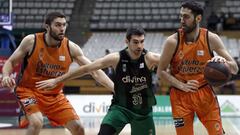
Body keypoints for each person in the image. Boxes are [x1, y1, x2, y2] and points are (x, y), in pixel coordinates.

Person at [1, 12, 114, 135]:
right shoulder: (31, 41)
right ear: (47, 27)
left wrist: (116, 89)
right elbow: (11, 62)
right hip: (28, 90)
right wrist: (6, 75)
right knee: (37, 122)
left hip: (54, 95)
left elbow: (95, 71)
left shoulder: (71, 48)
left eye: (64, 25)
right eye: (58, 25)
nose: (62, 29)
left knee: (79, 128)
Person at [35, 26, 160, 135]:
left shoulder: (150, 58)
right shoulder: (116, 58)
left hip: (143, 111)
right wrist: (57, 80)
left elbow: (173, 61)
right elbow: (86, 69)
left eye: (142, 42)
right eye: (136, 42)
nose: (139, 46)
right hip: (121, 108)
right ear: (127, 41)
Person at [157, 1, 238, 135]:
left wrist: (224, 62)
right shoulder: (172, 41)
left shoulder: (211, 38)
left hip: (205, 94)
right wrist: (181, 85)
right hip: (180, 96)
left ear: (198, 18)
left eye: (186, 17)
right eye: (181, 16)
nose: (182, 20)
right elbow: (161, 72)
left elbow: (234, 69)